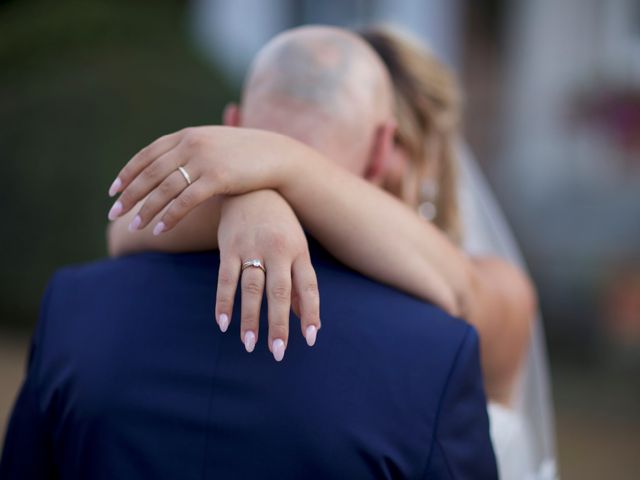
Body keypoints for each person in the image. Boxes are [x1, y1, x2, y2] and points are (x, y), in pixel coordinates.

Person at [0, 26, 499, 479]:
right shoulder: (435, 352)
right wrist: (262, 193)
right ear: (381, 149)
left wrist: (266, 178)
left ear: (233, 125)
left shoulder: (75, 303)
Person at [108, 26, 535, 407]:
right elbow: (123, 232)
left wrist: (282, 166)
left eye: (398, 140)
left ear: (421, 156)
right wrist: (254, 198)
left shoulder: (500, 287)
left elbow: (461, 295)